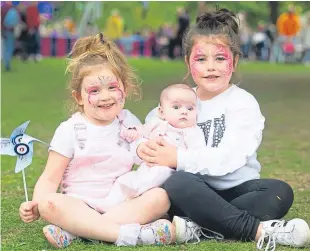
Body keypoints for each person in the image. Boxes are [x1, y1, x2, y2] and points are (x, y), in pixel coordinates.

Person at [137, 9, 310, 251]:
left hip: (236, 191)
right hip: (190, 192)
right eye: (201, 59)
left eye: (220, 58)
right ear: (188, 62)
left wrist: (178, 157)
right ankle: (257, 230)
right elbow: (152, 130)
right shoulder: (179, 99)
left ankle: (200, 227)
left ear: (234, 61)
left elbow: (231, 158)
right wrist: (146, 147)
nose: (211, 67)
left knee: (279, 192)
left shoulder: (243, 103)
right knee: (178, 183)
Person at [19, 33, 175, 249]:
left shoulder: (128, 121)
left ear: (125, 90)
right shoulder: (69, 130)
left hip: (122, 202)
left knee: (160, 197)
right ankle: (134, 235)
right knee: (49, 204)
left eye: (112, 87)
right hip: (79, 204)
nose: (105, 96)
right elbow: (49, 178)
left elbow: (143, 153)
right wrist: (35, 204)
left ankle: (77, 232)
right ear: (79, 97)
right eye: (94, 90)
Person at [99, 84, 206, 211]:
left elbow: (198, 155)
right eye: (176, 107)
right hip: (145, 169)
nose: (184, 111)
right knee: (125, 180)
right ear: (161, 112)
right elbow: (142, 132)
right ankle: (107, 205)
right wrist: (134, 132)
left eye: (190, 108)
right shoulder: (157, 124)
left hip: (168, 172)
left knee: (159, 175)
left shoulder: (192, 132)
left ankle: (134, 198)